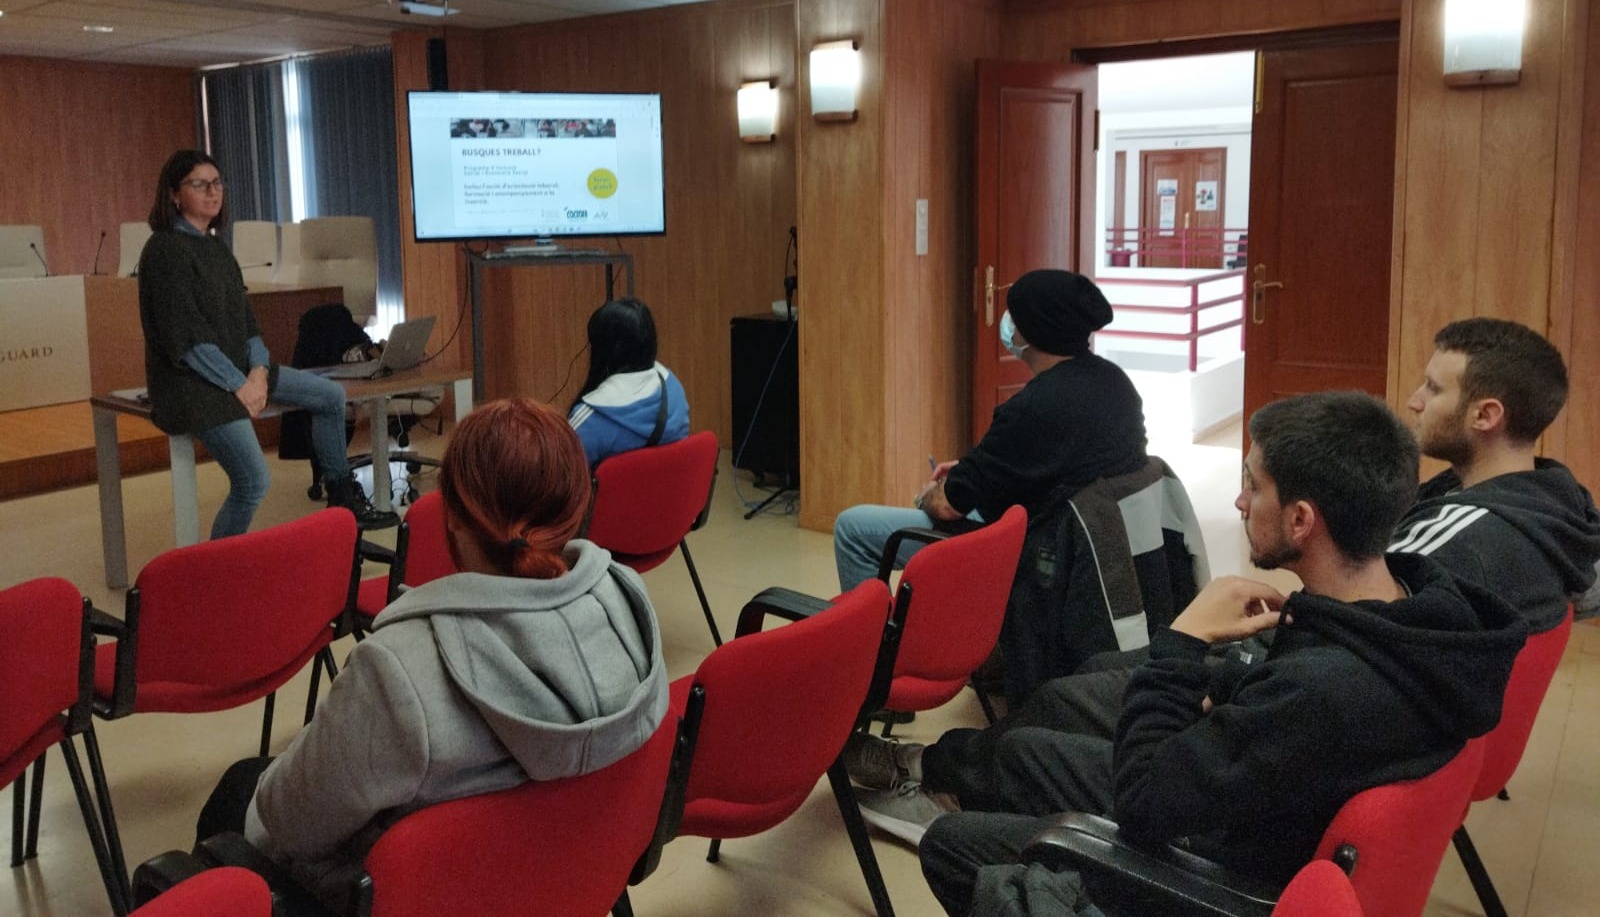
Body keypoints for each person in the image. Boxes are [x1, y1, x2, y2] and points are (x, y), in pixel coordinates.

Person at [845, 318, 1600, 843]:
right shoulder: (1528, 507)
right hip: (1284, 692)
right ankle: (958, 771)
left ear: (1487, 413)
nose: (1413, 400)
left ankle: (945, 779)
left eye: (1433, 389)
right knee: (1076, 688)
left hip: (1254, 750)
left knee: (1044, 729)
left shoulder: (1471, 543)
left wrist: (1196, 660)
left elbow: (1177, 783)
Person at [911, 391, 1526, 915]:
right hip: (1259, 806)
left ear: (1302, 519)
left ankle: (946, 792)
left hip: (1217, 871)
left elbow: (1145, 803)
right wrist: (1231, 690)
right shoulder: (1428, 606)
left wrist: (1183, 643)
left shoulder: (1320, 690)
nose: (1238, 502)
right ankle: (930, 771)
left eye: (1252, 486)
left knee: (952, 844)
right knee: (1024, 749)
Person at [195, 397, 670, 911]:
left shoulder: (398, 669)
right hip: (576, 879)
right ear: (577, 506)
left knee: (239, 792)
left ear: (456, 519)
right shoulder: (628, 603)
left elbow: (290, 824)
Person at [833, 269, 1147, 591]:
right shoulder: (1117, 384)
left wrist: (929, 496)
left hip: (1031, 547)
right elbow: (1048, 460)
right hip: (1091, 545)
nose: (1006, 321)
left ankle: (868, 639)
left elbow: (948, 505)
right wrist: (972, 469)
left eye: (1014, 314)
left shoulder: (1032, 408)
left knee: (852, 528)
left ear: (1032, 331)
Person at [137, 149, 395, 537]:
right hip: (192, 384)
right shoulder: (164, 251)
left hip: (241, 372)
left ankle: (342, 496)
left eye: (217, 183)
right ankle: (217, 569)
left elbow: (248, 323)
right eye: (200, 184)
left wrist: (258, 370)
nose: (213, 191)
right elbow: (188, 342)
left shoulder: (215, 247)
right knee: (254, 482)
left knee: (330, 396)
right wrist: (241, 383)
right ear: (174, 195)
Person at [567, 297, 689, 466]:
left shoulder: (589, 419)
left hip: (610, 493)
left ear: (604, 351)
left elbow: (560, 472)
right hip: (668, 491)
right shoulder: (674, 390)